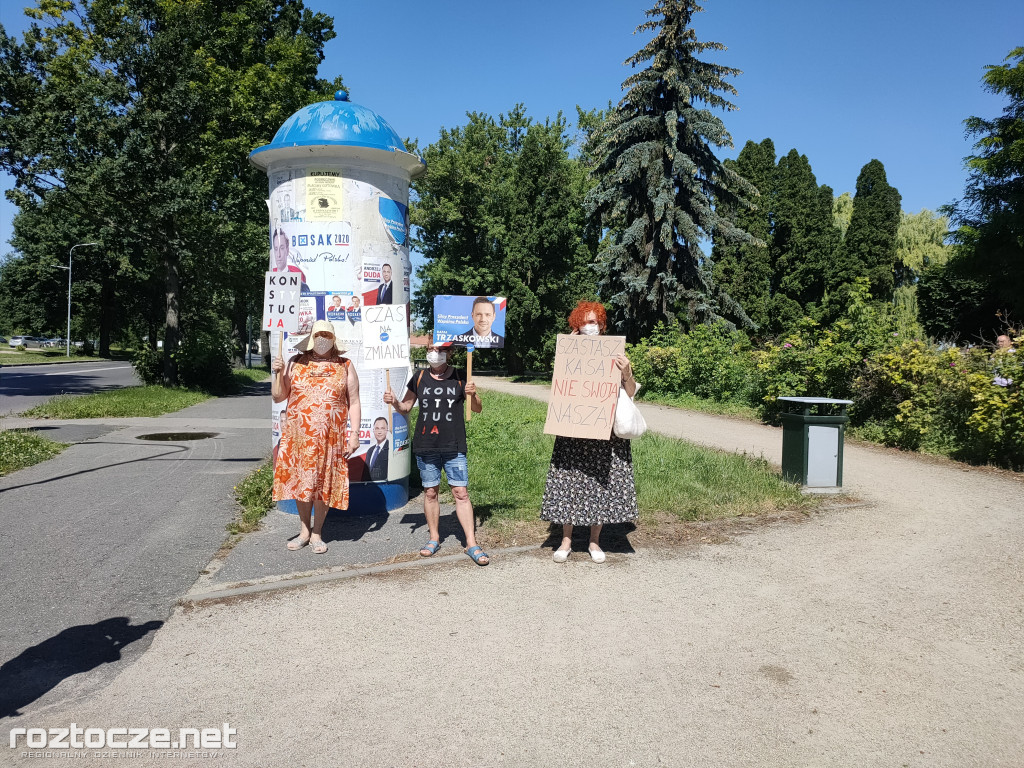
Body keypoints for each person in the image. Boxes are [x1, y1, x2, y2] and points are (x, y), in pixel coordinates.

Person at [540, 301, 638, 563]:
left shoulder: (614, 351)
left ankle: (595, 542)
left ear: (602, 324)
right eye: (583, 322)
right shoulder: (568, 352)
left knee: (599, 485)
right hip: (573, 432)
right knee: (570, 483)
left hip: (604, 433)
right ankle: (566, 540)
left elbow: (629, 395)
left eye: (593, 322)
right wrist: (568, 352)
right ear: (576, 326)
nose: (588, 326)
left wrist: (626, 372)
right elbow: (562, 387)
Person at [383, 344, 489, 565]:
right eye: (431, 348)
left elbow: (477, 408)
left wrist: (473, 394)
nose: (435, 353)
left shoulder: (461, 376)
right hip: (425, 445)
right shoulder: (419, 376)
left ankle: (471, 543)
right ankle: (434, 538)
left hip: (454, 445)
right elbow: (406, 407)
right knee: (430, 492)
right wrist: (394, 401)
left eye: (441, 350)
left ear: (450, 353)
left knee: (461, 493)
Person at [271, 320, 361, 554]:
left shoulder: (345, 365)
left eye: (326, 335)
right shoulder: (295, 362)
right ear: (311, 338)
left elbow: (355, 401)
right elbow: (278, 396)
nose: (322, 339)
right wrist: (277, 374)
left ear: (333, 338)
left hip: (330, 438)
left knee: (322, 485)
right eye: (318, 334)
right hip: (299, 438)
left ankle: (318, 532)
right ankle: (304, 530)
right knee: (302, 484)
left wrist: (354, 435)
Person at [365, 416, 390, 482]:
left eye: (382, 428)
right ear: (373, 430)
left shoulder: (390, 449)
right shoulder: (370, 450)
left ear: (387, 430)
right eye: (377, 428)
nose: (379, 432)